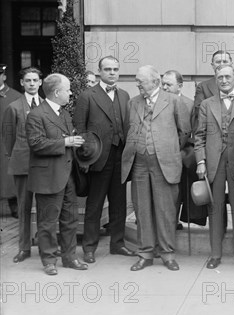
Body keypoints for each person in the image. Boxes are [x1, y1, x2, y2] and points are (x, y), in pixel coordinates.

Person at [121, 65, 191, 271]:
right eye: (136, 80)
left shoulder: (174, 101)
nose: (137, 85)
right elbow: (128, 129)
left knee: (165, 210)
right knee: (142, 209)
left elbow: (184, 131)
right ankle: (145, 253)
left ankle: (168, 253)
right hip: (139, 163)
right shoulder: (132, 103)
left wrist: (167, 149)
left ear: (155, 82)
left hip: (164, 163)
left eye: (140, 81)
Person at [73, 56, 136, 264]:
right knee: (95, 204)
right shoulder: (87, 96)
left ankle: (117, 244)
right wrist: (83, 160)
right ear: (99, 72)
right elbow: (80, 129)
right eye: (107, 69)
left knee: (119, 203)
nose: (112, 72)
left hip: (120, 156)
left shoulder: (125, 95)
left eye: (115, 69)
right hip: (98, 158)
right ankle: (89, 247)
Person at [26, 73, 88, 275]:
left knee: (70, 219)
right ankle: (49, 260)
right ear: (57, 92)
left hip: (68, 176)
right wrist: (66, 142)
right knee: (48, 221)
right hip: (48, 177)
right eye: (68, 89)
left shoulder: (64, 114)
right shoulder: (37, 115)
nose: (70, 92)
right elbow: (36, 144)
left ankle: (70, 258)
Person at [195, 64, 234, 270]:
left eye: (228, 77)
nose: (224, 81)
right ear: (216, 80)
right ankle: (215, 254)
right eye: (220, 78)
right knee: (215, 208)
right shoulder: (207, 104)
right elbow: (199, 136)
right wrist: (201, 161)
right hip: (214, 163)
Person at [3, 67, 43, 263]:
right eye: (28, 80)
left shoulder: (46, 105)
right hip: (22, 165)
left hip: (44, 166)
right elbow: (8, 138)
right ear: (22, 83)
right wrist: (17, 156)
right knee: (24, 208)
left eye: (35, 80)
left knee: (44, 208)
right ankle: (24, 248)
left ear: (41, 83)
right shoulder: (14, 107)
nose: (32, 84)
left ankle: (46, 247)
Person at [162, 69, 205, 230]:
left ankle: (176, 221)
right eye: (163, 84)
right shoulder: (157, 102)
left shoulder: (190, 105)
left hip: (182, 154)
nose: (165, 87)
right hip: (162, 154)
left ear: (179, 86)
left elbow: (195, 132)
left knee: (180, 190)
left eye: (169, 84)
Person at [193, 50, 234, 126]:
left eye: (225, 61)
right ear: (212, 65)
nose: (222, 64)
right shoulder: (203, 86)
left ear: (231, 63)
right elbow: (199, 112)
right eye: (218, 62)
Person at [0, 63, 22, 218]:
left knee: (9, 174)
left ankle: (14, 207)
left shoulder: (15, 97)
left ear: (4, 76)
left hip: (5, 142)